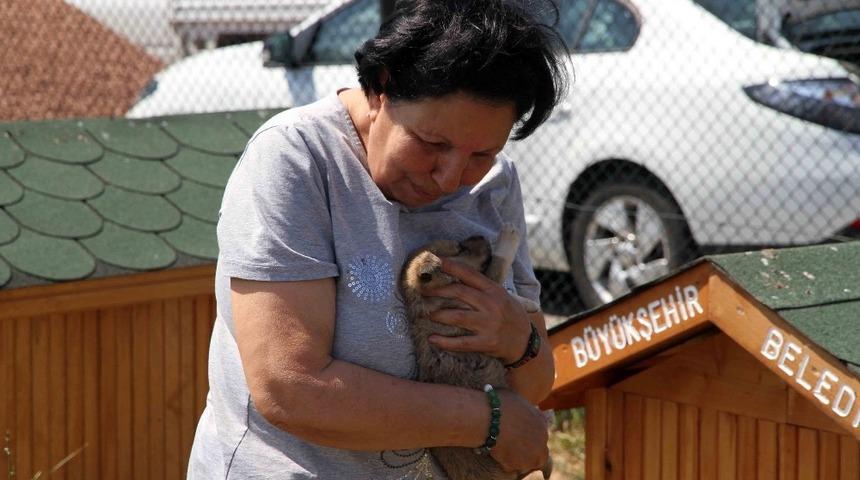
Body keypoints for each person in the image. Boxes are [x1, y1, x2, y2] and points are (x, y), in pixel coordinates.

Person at [187, 0, 568, 478]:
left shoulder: (495, 183)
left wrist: (519, 341)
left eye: (482, 154)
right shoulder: (297, 159)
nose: (451, 178)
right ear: (380, 88)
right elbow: (290, 388)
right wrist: (485, 421)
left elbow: (534, 381)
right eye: (432, 144)